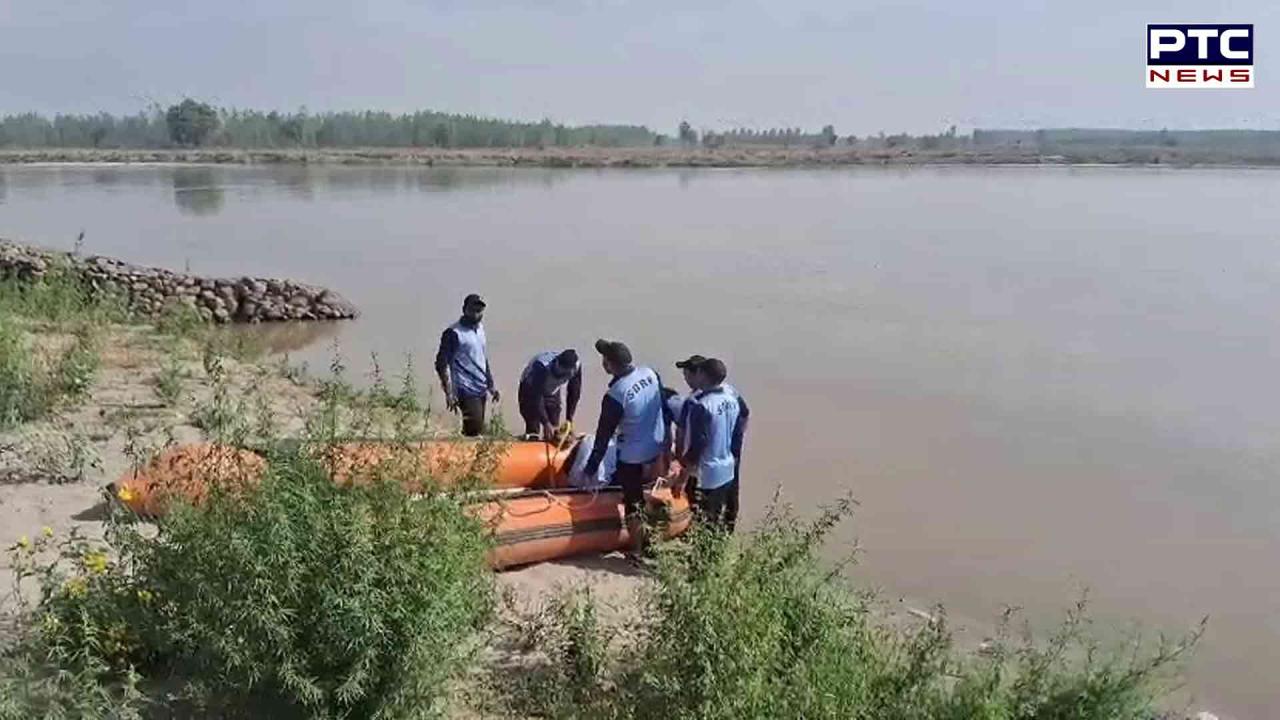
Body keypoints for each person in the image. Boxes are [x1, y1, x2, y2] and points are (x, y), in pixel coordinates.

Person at [582, 339, 669, 558]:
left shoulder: (616, 394)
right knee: (647, 491)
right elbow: (662, 406)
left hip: (633, 455)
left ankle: (638, 551)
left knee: (633, 502)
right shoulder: (650, 373)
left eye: (604, 359)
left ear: (609, 364)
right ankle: (655, 529)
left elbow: (602, 439)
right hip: (656, 445)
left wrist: (590, 470)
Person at [678, 358, 749, 532]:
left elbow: (698, 444)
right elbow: (740, 426)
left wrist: (684, 473)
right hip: (727, 468)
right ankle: (721, 547)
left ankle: (704, 556)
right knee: (719, 515)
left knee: (704, 521)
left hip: (707, 474)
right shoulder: (731, 398)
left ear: (702, 375)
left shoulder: (701, 405)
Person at [434, 293, 500, 436]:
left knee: (476, 429)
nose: (476, 314)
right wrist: (449, 392)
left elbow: (482, 358)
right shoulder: (454, 333)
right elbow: (441, 363)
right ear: (464, 309)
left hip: (481, 387)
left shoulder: (480, 329)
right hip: (465, 388)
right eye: (473, 310)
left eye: (479, 311)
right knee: (474, 429)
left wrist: (491, 385)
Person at [517, 349, 582, 440]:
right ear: (558, 364)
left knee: (554, 429)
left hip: (552, 391)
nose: (569, 374)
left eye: (570, 373)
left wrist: (569, 419)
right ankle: (531, 440)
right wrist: (546, 423)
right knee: (533, 427)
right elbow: (536, 397)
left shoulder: (575, 367)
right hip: (529, 390)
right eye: (565, 372)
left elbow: (574, 392)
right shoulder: (541, 367)